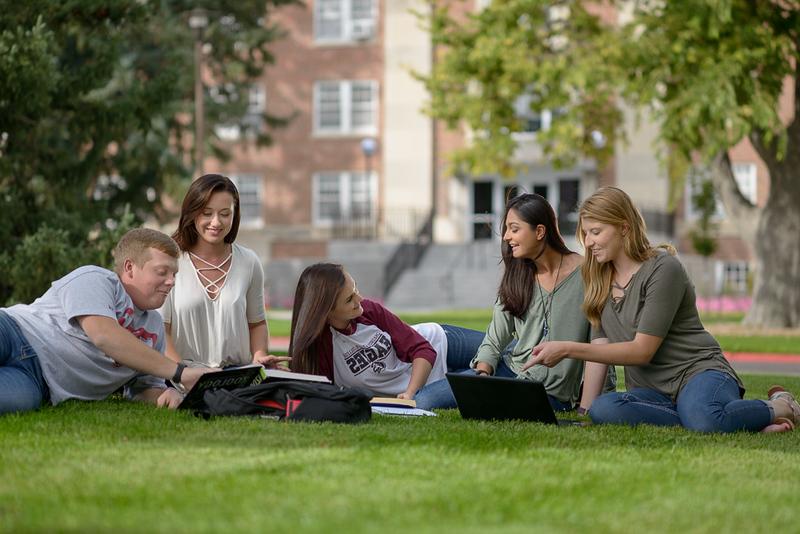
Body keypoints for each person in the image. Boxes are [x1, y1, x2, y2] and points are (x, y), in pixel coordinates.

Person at [526, 186, 800, 433]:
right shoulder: (597, 278)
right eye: (585, 234)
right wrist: (585, 411)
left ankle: (779, 406)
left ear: (624, 228)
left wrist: (566, 348)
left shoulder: (662, 268)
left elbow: (642, 350)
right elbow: (601, 347)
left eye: (596, 232)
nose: (588, 242)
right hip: (651, 391)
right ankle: (730, 420)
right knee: (604, 409)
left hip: (697, 372)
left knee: (704, 420)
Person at [425, 193, 608, 412]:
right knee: (426, 401)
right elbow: (494, 339)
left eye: (514, 229)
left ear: (540, 231)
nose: (505, 237)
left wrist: (588, 406)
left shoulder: (589, 274)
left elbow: (600, 345)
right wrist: (482, 375)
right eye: (506, 229)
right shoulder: (516, 275)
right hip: (508, 372)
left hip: (551, 392)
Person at [0, 228, 212, 415]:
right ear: (129, 268)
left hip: (37, 382)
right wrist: (180, 373)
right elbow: (103, 335)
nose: (171, 281)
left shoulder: (154, 326)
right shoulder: (96, 279)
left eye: (174, 274)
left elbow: (143, 389)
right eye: (162, 272)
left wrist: (167, 394)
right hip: (13, 332)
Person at [288, 263, 469, 410]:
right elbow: (314, 391)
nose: (359, 299)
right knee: (426, 403)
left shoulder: (369, 310)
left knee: (494, 357)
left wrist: (410, 393)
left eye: (356, 288)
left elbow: (422, 348)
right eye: (349, 299)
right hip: (424, 392)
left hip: (442, 343)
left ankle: (482, 371)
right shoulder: (322, 347)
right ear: (326, 313)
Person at [159, 174, 287, 369]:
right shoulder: (170, 261)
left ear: (234, 215)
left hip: (237, 375)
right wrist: (183, 375)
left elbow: (257, 324)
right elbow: (162, 331)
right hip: (185, 377)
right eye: (207, 213)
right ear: (192, 213)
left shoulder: (249, 261)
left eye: (225, 214)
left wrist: (259, 356)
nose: (216, 222)